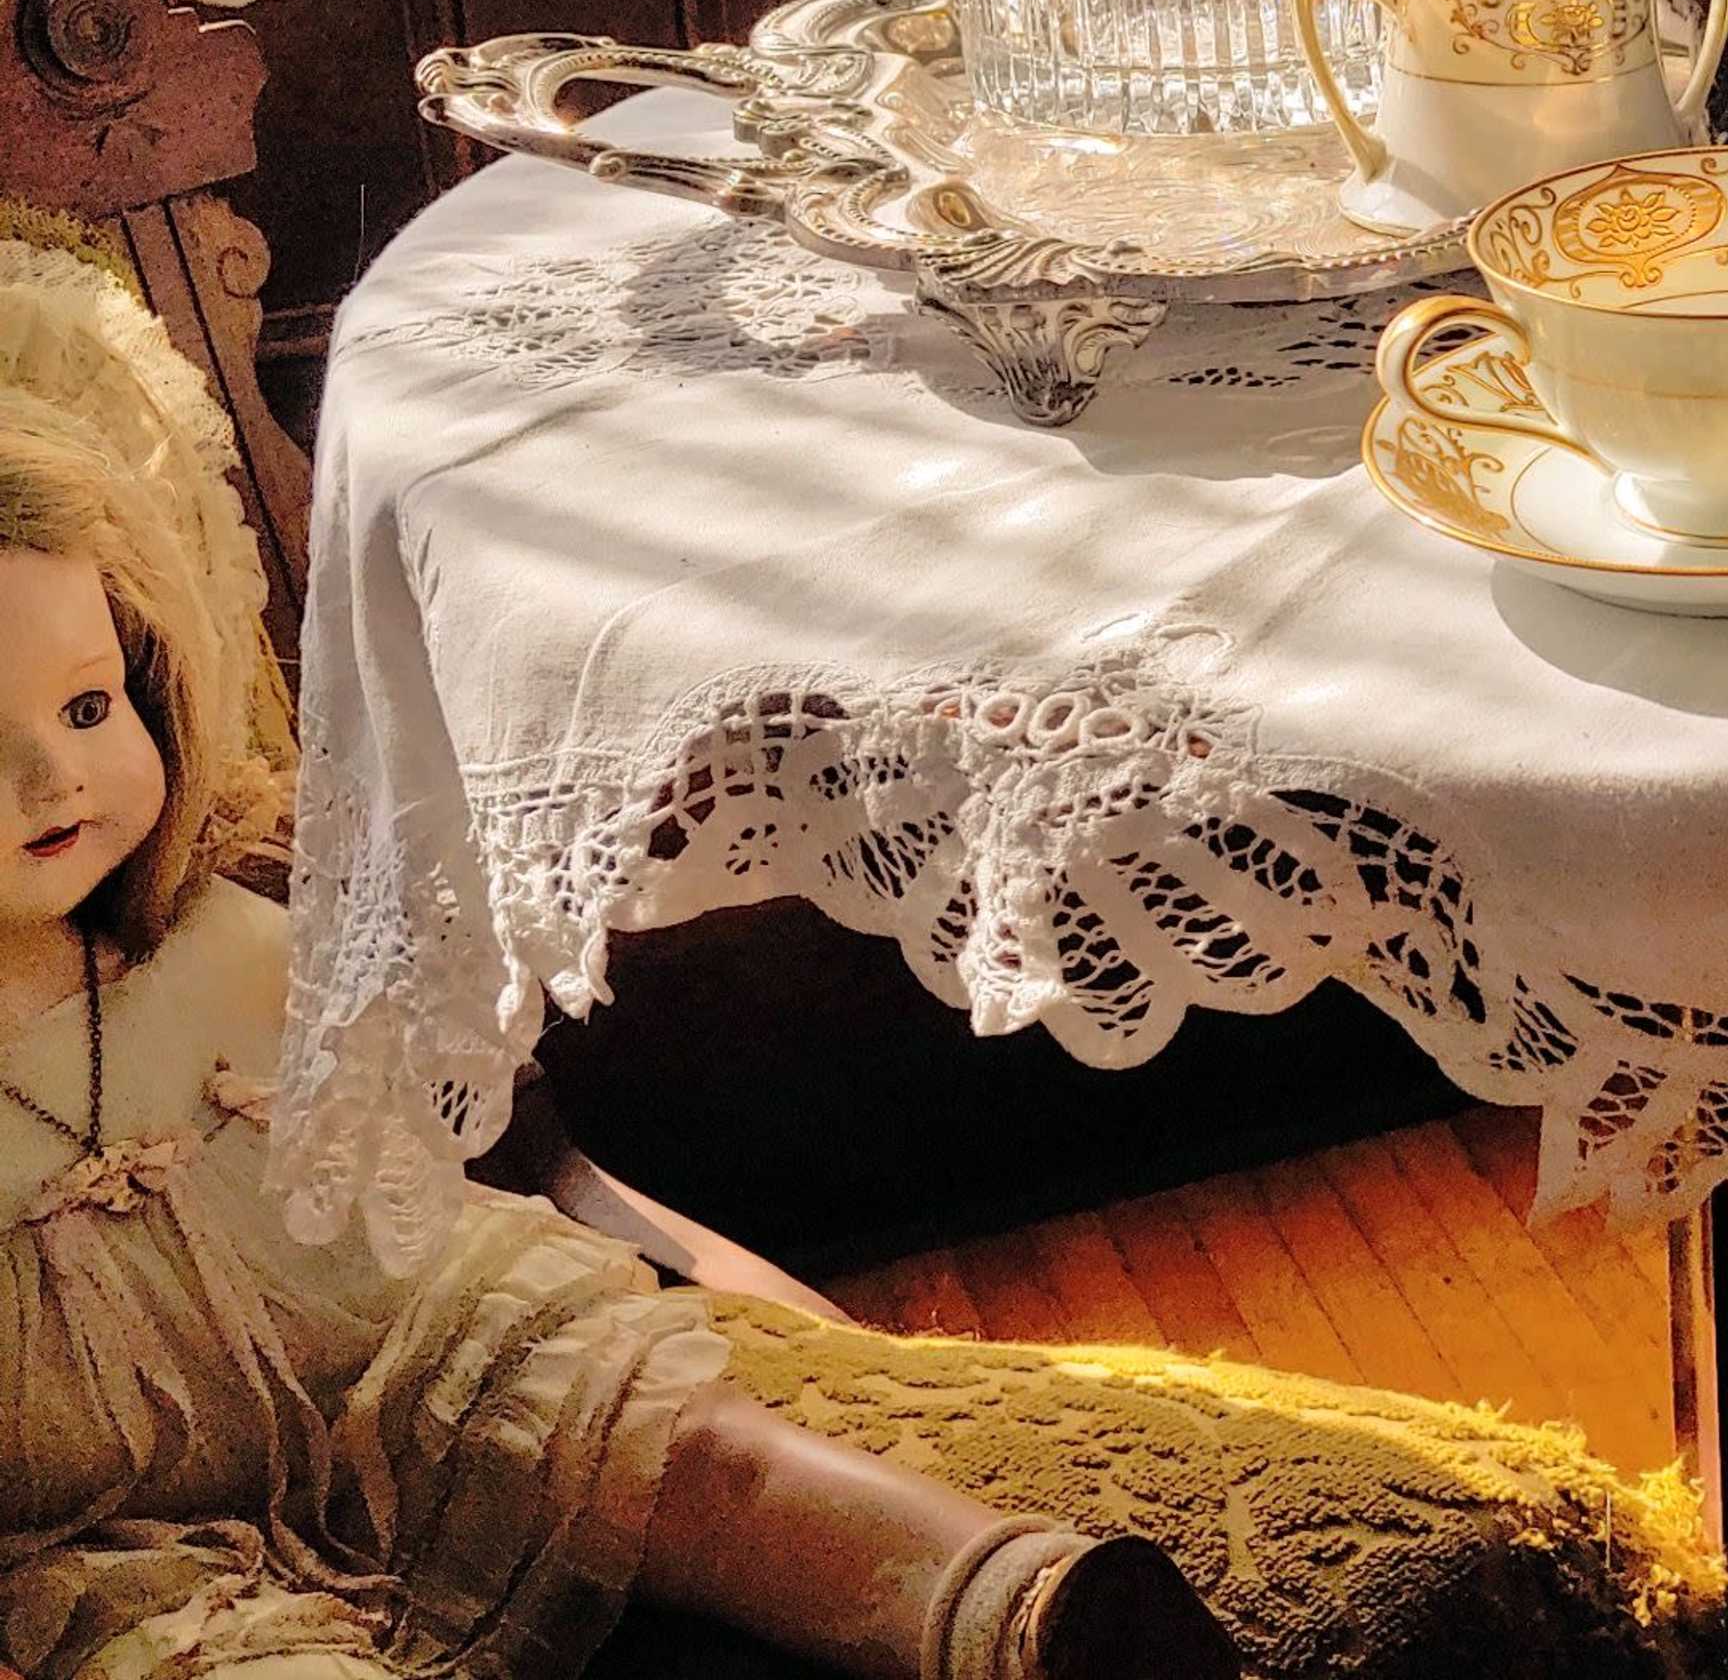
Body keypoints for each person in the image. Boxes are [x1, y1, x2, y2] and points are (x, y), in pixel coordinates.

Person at [0, 232, 1238, 1680]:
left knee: (670, 1441)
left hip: (407, 1377)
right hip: (92, 1547)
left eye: (90, 710)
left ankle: (1008, 1608)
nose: (54, 780)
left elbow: (461, 1137)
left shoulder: (226, 942)